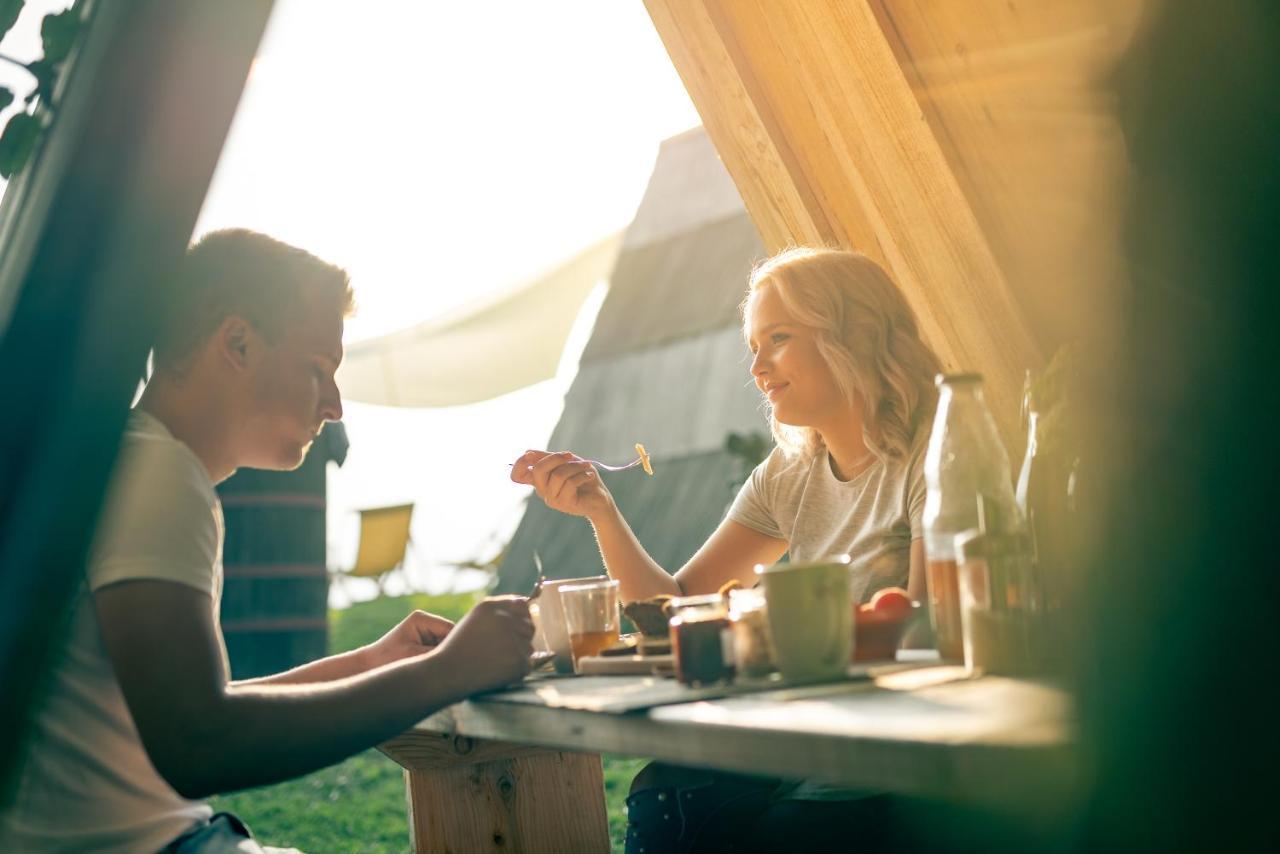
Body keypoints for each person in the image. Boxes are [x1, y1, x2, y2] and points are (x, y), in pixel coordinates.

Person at [0, 230, 533, 853]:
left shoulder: (125, 460)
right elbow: (200, 744)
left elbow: (185, 708)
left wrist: (368, 663)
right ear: (237, 342)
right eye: (318, 370)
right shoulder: (160, 479)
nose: (334, 405)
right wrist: (450, 672)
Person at [512, 247, 944, 853]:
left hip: (892, 753)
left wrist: (775, 638)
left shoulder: (934, 453)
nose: (758, 367)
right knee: (664, 792)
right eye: (754, 347)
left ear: (856, 334)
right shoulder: (789, 471)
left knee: (782, 832)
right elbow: (677, 605)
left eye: (780, 338)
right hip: (795, 736)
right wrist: (600, 511)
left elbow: (928, 632)